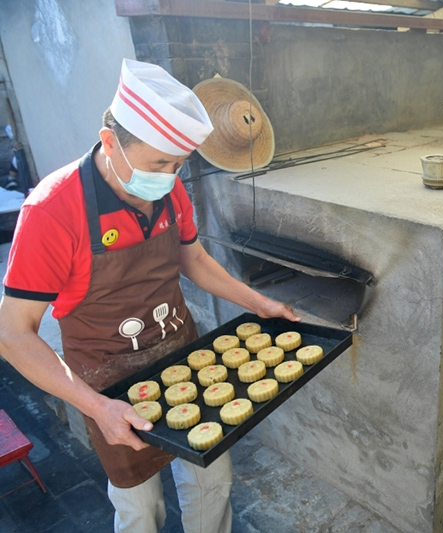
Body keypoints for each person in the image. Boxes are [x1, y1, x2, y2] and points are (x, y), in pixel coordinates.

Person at [0, 59, 299, 532]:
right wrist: (97, 406)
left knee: (212, 480)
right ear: (110, 142)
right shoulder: (52, 212)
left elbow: (193, 260)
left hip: (180, 352)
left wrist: (256, 302)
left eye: (178, 164)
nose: (168, 176)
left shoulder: (170, 193)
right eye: (158, 163)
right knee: (139, 508)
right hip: (106, 377)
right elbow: (13, 335)